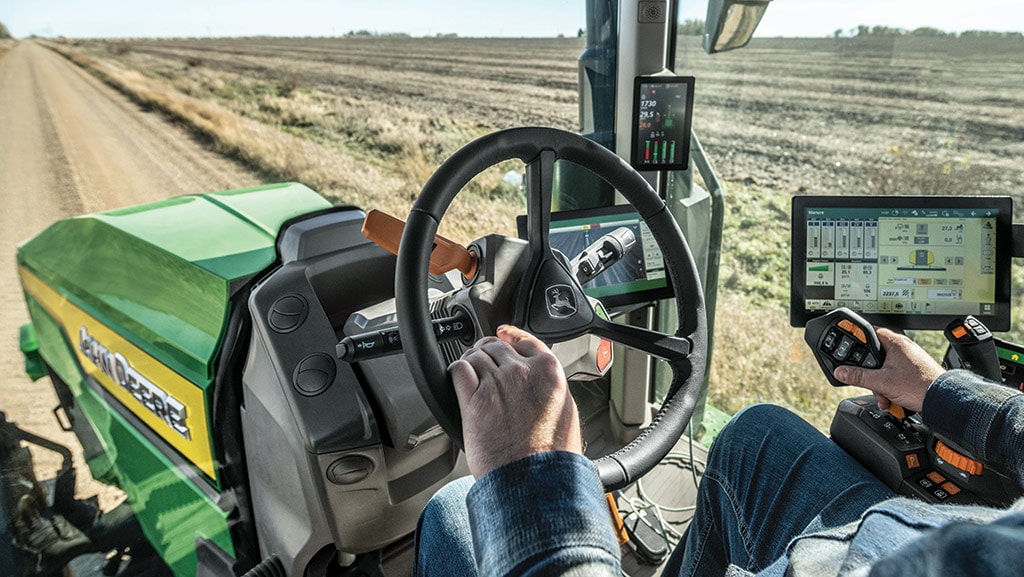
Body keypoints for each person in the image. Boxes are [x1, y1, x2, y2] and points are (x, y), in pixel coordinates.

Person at [414, 324, 1024, 577]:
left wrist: (534, 485)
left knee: (457, 508)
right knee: (756, 435)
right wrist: (938, 391)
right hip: (928, 535)